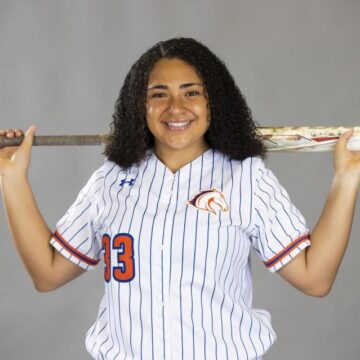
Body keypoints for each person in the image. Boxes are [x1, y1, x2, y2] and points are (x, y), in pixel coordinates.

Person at [0, 37, 359, 360]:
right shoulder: (109, 181)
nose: (175, 107)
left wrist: (347, 178)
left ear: (213, 102)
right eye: (159, 93)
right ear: (139, 105)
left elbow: (315, 279)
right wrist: (11, 177)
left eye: (191, 92)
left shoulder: (247, 178)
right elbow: (47, 275)